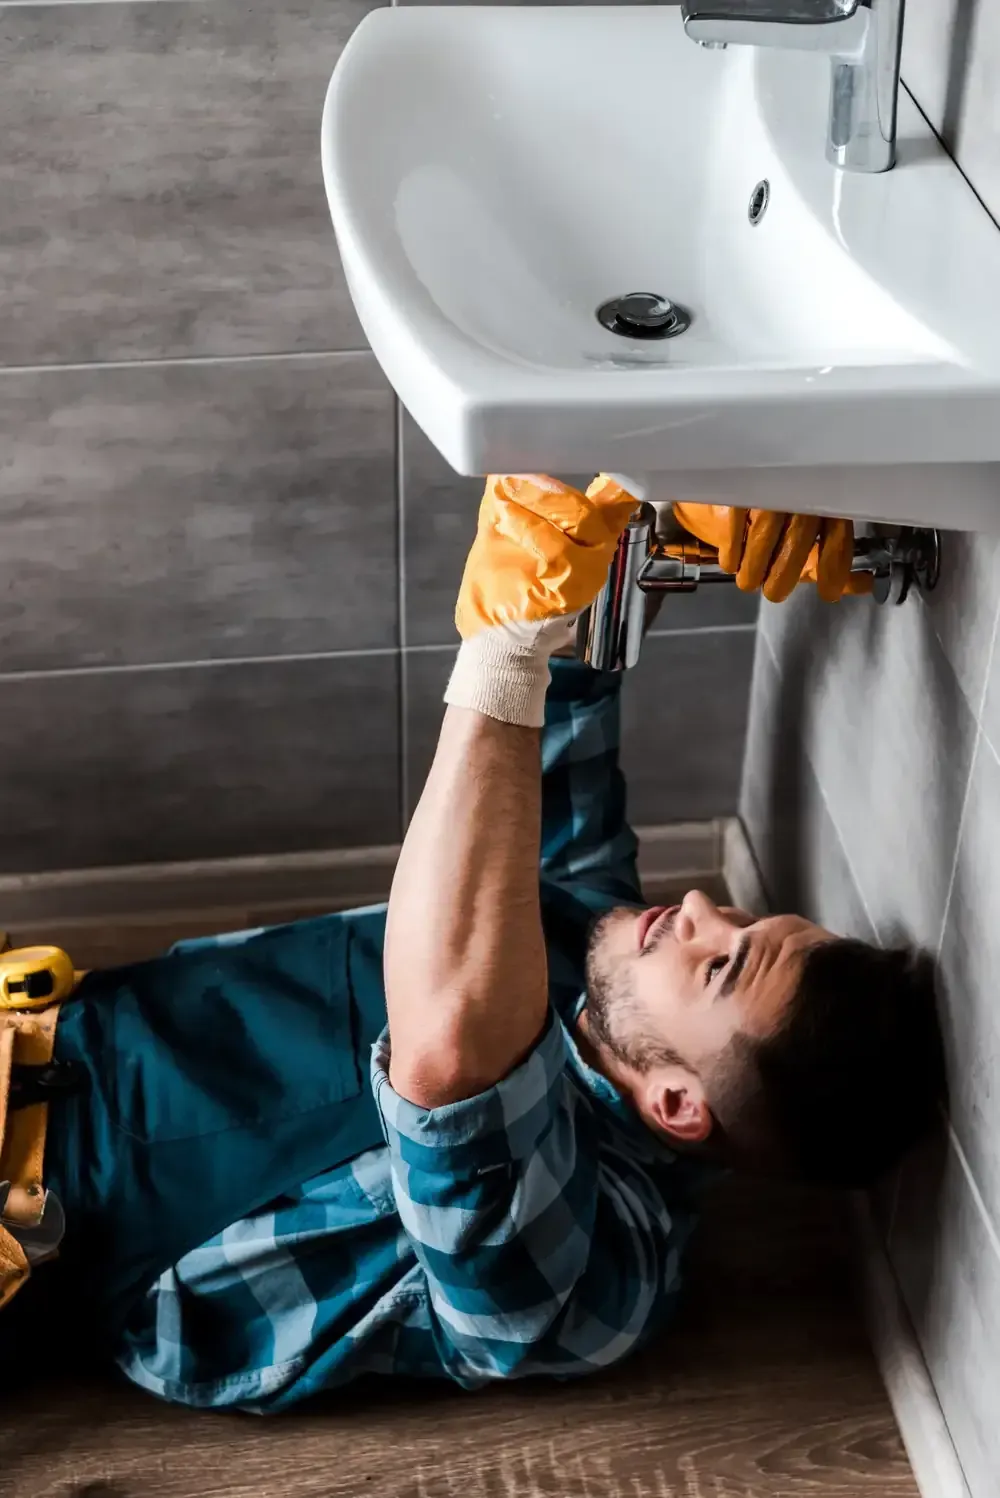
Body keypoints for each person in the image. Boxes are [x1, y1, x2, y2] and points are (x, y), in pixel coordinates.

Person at [0, 476, 944, 1411]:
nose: (701, 905)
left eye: (722, 962)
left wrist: (503, 651)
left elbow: (451, 1067)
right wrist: (671, 514)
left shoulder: (598, 1280)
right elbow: (560, 685)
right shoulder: (592, 948)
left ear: (676, 1104)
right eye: (741, 920)